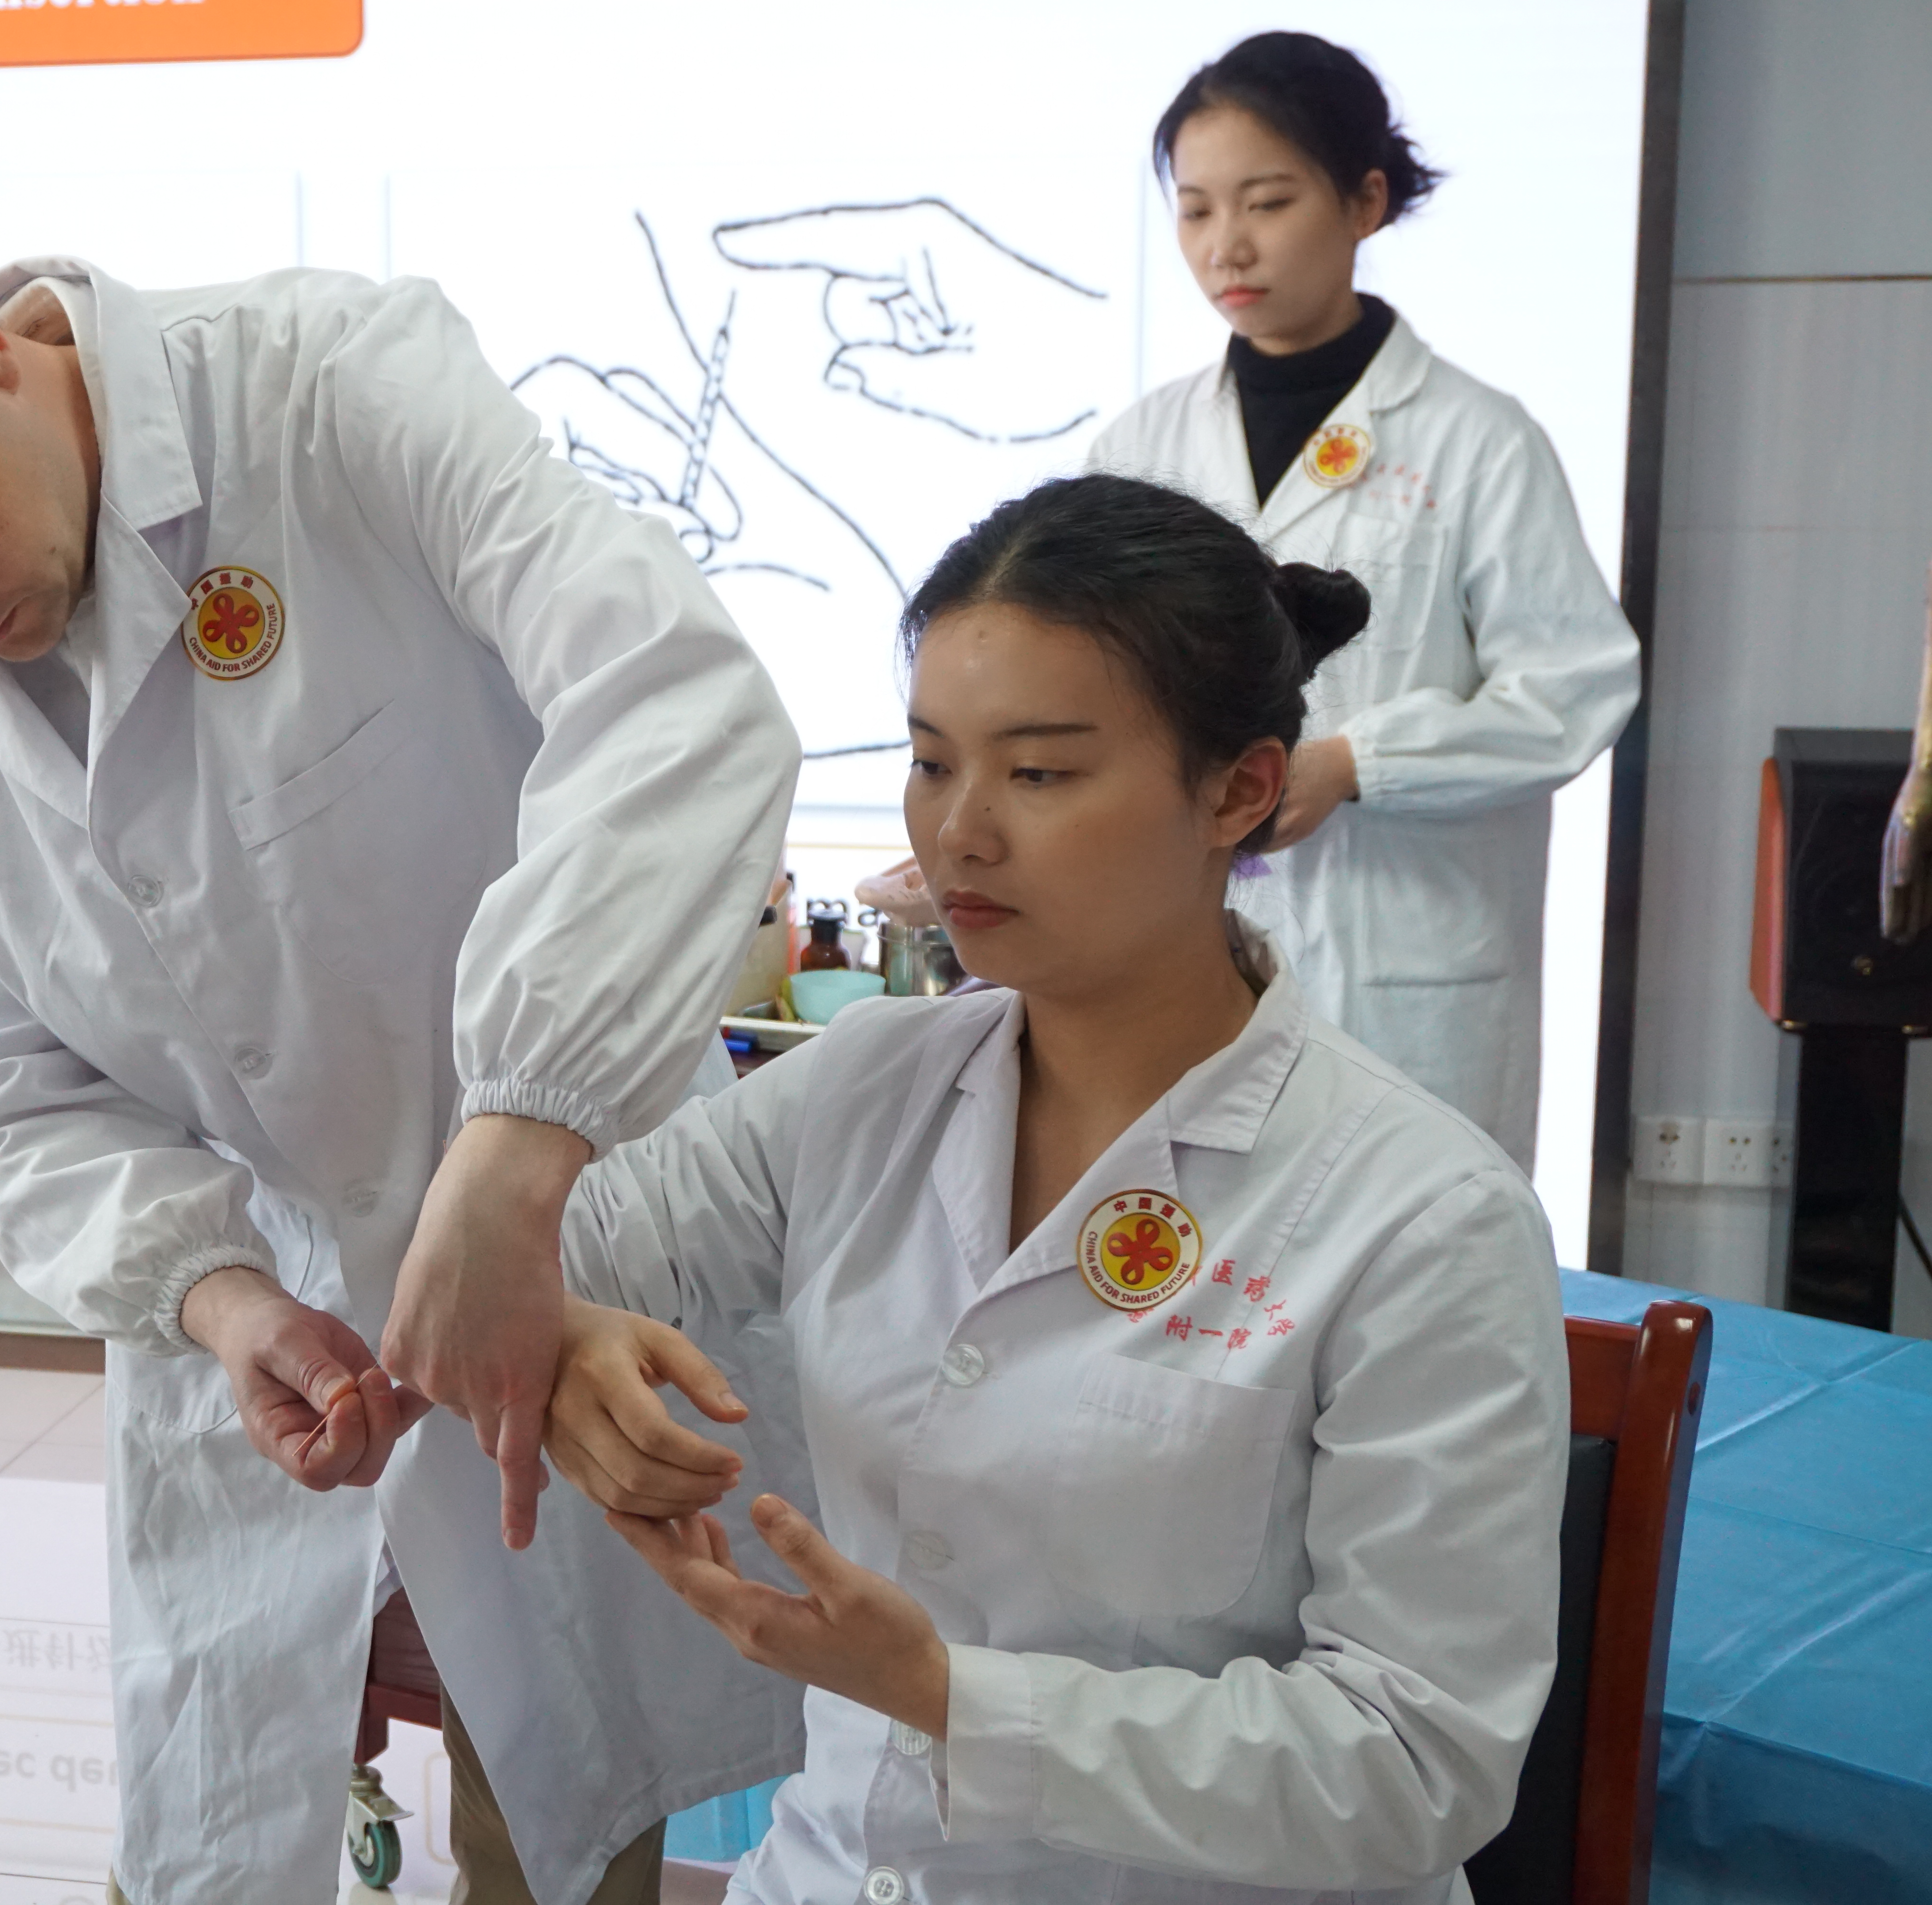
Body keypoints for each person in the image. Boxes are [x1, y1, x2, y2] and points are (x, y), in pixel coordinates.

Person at [0, 193, 806, 1904]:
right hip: (266, 1350)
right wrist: (224, 1300)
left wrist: (521, 1141)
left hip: (564, 1246)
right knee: (220, 1842)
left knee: (557, 1838)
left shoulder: (332, 389)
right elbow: (0, 1085)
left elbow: (677, 702)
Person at [545, 473, 1570, 1905]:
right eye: (930, 762)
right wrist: (560, 1330)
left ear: (1242, 790)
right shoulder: (868, 1083)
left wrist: (948, 1697)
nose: (958, 833)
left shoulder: (1420, 1213)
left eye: (1037, 774)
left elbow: (1412, 1764)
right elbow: (562, 1246)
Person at [1081, 30, 1640, 1169]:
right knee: (1195, 1243)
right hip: (1189, 956)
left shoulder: (1477, 438)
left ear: (1365, 201)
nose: (1226, 245)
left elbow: (1576, 689)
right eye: (1195, 210)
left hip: (1409, 971)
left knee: (1413, 1240)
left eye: (1268, 202)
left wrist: (1354, 764)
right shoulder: (1142, 445)